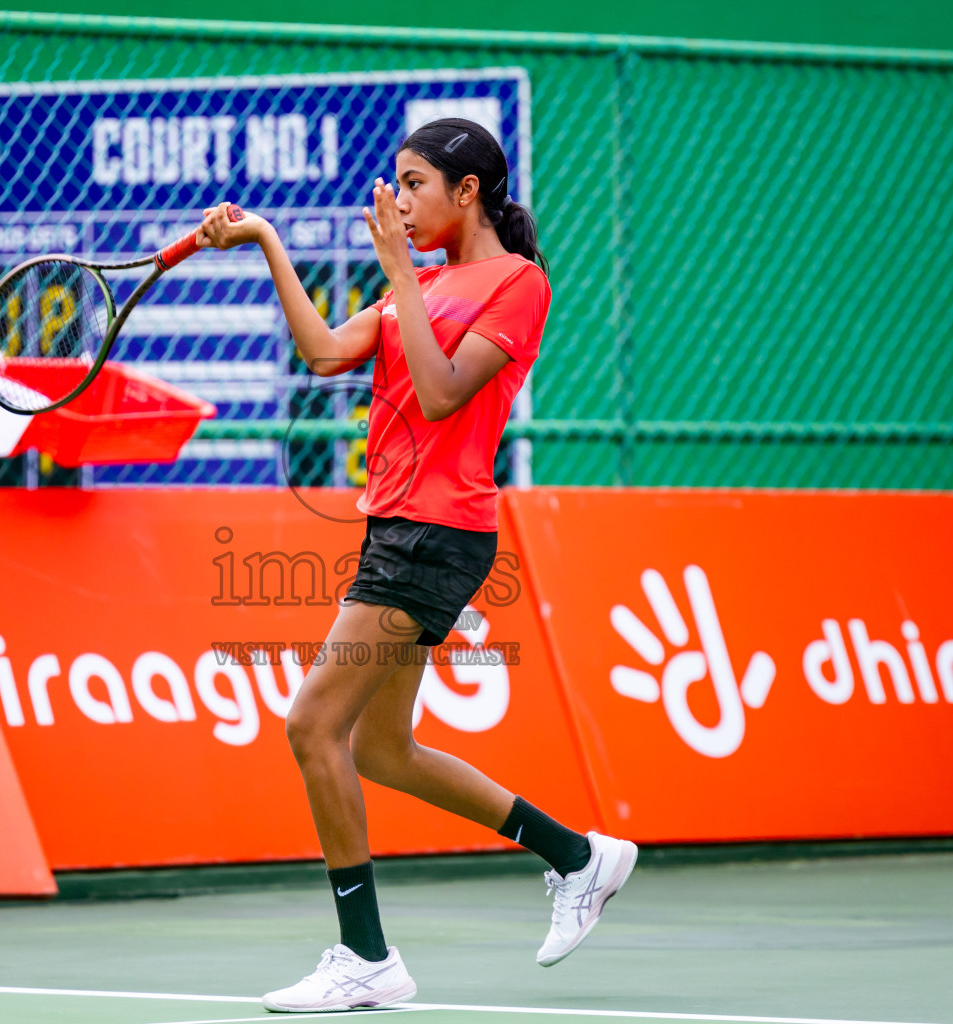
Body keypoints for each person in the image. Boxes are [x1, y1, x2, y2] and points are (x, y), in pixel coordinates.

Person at [197, 117, 637, 1012]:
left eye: (414, 184)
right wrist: (268, 244)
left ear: (465, 192)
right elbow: (323, 353)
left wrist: (399, 274)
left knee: (312, 727)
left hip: (438, 533)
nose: (397, 200)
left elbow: (439, 397)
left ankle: (366, 956)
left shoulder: (518, 284)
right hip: (393, 526)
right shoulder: (423, 280)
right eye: (394, 184)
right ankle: (578, 857)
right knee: (383, 752)